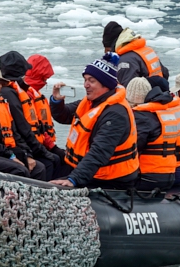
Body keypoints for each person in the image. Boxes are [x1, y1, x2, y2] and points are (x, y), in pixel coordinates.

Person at [49, 53, 140, 191]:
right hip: (89, 173)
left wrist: (74, 179)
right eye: (85, 80)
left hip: (111, 180)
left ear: (106, 84)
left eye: (91, 81)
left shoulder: (115, 114)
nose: (86, 85)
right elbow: (65, 116)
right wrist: (57, 101)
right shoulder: (91, 103)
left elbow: (99, 152)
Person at [0, 51, 63, 180]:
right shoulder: (12, 94)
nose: (45, 83)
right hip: (16, 148)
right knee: (49, 163)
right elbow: (22, 128)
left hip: (26, 145)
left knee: (57, 158)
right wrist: (34, 152)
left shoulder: (15, 92)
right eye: (44, 79)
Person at [127, 76, 180, 195]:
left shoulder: (143, 118)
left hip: (151, 177)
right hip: (178, 172)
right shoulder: (171, 111)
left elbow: (131, 149)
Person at [0, 66, 44, 179]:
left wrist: (27, 154)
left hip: (8, 148)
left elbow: (15, 134)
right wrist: (11, 156)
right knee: (21, 170)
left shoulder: (3, 103)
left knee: (39, 168)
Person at [103, 22, 169, 84]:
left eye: (108, 51)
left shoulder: (125, 61)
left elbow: (128, 90)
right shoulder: (147, 50)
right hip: (160, 92)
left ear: (113, 45)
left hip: (145, 95)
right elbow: (165, 73)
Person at [24, 54, 58, 151]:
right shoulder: (28, 94)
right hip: (37, 146)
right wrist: (52, 147)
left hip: (42, 143)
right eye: (45, 78)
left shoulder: (33, 92)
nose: (46, 82)